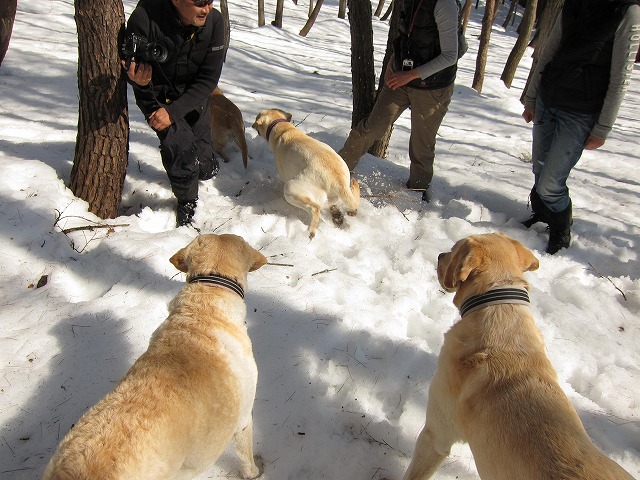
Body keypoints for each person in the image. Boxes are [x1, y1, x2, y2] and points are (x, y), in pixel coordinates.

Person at [522, 0, 640, 254]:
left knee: (551, 181)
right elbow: (547, 54)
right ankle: (543, 214)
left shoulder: (628, 12)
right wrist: (532, 98)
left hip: (580, 111)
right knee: (539, 168)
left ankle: (562, 227)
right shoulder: (572, 5)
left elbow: (621, 77)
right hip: (548, 99)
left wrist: (603, 127)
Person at [339, 0, 464, 202]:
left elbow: (450, 55)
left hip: (432, 88)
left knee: (421, 143)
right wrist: (394, 59)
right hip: (400, 79)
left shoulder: (444, 4)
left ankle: (416, 193)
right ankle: (335, 170)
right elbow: (407, 35)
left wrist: (413, 74)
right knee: (371, 128)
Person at [123, 0, 225, 226]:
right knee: (181, 148)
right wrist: (139, 82)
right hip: (156, 96)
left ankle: (207, 165)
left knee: (205, 166)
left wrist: (176, 110)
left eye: (209, 1)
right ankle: (188, 202)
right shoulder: (145, 18)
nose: (206, 9)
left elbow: (208, 79)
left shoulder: (215, 23)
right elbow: (131, 65)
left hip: (194, 95)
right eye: (199, 3)